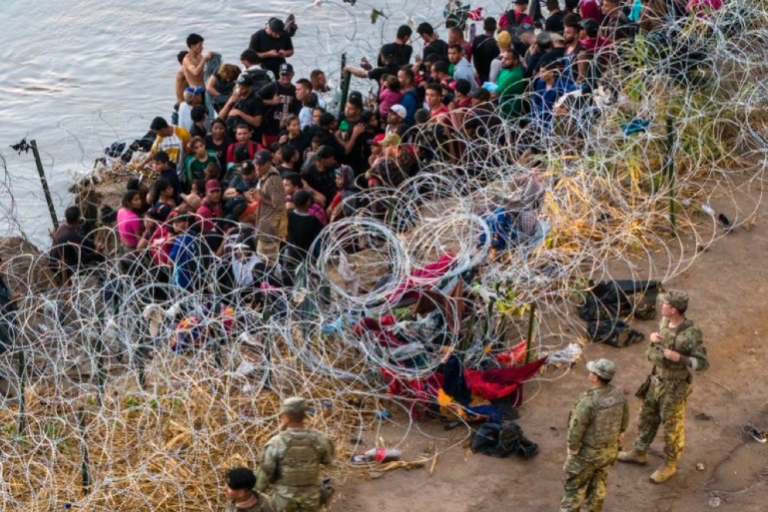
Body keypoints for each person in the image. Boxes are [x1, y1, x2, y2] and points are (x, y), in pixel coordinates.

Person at [618, 291, 709, 484]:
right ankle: (639, 451)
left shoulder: (691, 333)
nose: (661, 306)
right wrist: (652, 339)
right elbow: (656, 349)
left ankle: (670, 464)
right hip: (656, 381)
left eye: (665, 304)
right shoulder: (664, 323)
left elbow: (702, 363)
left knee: (672, 428)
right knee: (646, 417)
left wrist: (680, 359)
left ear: (674, 309)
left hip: (674, 388)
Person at [560, 359, 629, 512]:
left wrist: (572, 450)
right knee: (598, 489)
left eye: (591, 371)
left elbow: (576, 430)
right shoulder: (619, 395)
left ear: (595, 377)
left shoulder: (588, 401)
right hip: (608, 452)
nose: (589, 373)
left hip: (587, 455)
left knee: (574, 491)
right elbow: (624, 422)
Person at [257, 397, 335, 512]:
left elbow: (265, 475)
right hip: (311, 498)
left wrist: (255, 495)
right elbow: (328, 460)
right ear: (304, 415)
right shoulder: (320, 439)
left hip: (284, 499)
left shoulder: (276, 443)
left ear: (286, 417)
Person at [250, 151, 286, 266]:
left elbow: (279, 205)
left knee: (267, 263)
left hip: (270, 227)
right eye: (256, 164)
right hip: (263, 223)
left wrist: (260, 198)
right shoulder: (263, 174)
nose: (258, 167)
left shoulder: (273, 180)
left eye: (261, 164)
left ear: (269, 163)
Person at [49, 206, 104, 278]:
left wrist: (94, 245)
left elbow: (80, 240)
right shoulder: (70, 235)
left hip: (55, 262)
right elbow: (83, 258)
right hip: (61, 268)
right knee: (94, 265)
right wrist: (96, 253)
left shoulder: (63, 227)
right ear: (78, 219)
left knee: (90, 251)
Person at [259, 63, 301, 149]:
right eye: (283, 74)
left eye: (288, 74)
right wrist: (271, 102)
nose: (285, 77)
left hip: (286, 129)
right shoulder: (272, 87)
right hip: (270, 127)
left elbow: (297, 110)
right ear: (279, 74)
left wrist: (288, 119)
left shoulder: (294, 90)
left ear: (292, 74)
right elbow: (255, 100)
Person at [336, 92, 374, 175]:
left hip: (355, 162)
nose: (347, 110)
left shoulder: (361, 126)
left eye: (351, 109)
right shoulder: (343, 118)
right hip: (342, 159)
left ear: (358, 111)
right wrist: (340, 139)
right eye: (346, 106)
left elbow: (347, 150)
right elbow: (339, 136)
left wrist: (354, 136)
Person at [220, 74, 264, 140]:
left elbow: (257, 122)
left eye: (242, 87)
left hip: (248, 136)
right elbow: (220, 117)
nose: (239, 89)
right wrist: (229, 103)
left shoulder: (256, 100)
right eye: (238, 86)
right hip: (231, 135)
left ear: (249, 88)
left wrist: (239, 113)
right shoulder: (234, 97)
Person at [169, 214, 200, 290]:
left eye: (178, 222)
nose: (175, 225)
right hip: (196, 276)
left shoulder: (180, 241)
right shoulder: (195, 235)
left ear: (186, 223)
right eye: (173, 222)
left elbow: (170, 261)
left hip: (183, 278)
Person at [495, 49, 526, 120]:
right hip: (502, 107)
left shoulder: (514, 75)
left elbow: (496, 94)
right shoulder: (507, 70)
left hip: (510, 111)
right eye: (503, 58)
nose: (503, 60)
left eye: (507, 59)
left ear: (515, 61)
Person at [471, 17, 500, 83]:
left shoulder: (476, 40)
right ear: (495, 28)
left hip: (478, 74)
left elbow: (473, 56)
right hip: (489, 76)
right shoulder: (496, 45)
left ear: (484, 27)